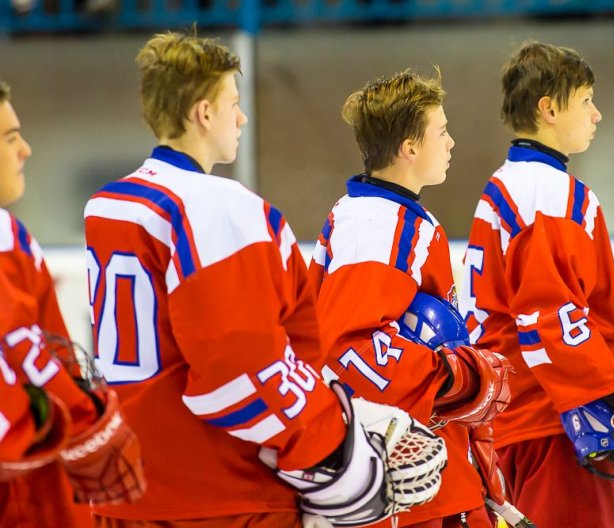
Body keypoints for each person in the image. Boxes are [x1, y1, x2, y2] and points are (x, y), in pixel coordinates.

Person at [84, 31, 445, 528]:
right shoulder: (216, 207)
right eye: (233, 102)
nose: (242, 117)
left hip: (130, 486)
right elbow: (239, 370)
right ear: (203, 113)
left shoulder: (111, 206)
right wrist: (336, 453)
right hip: (219, 493)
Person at [308, 69, 512, 528]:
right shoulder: (382, 225)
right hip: (404, 485)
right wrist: (452, 378)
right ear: (410, 148)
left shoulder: (377, 214)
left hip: (417, 473)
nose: (452, 142)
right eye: (442, 131)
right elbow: (349, 348)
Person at [459, 41, 614, 528]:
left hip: (519, 421)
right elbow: (551, 320)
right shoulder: (547, 192)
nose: (597, 114)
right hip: (557, 424)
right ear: (549, 108)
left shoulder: (505, 183)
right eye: (585, 100)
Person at [0, 80, 145, 527]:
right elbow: (27, 352)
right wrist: (87, 421)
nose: (24, 149)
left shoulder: (13, 233)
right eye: (9, 138)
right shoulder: (5, 238)